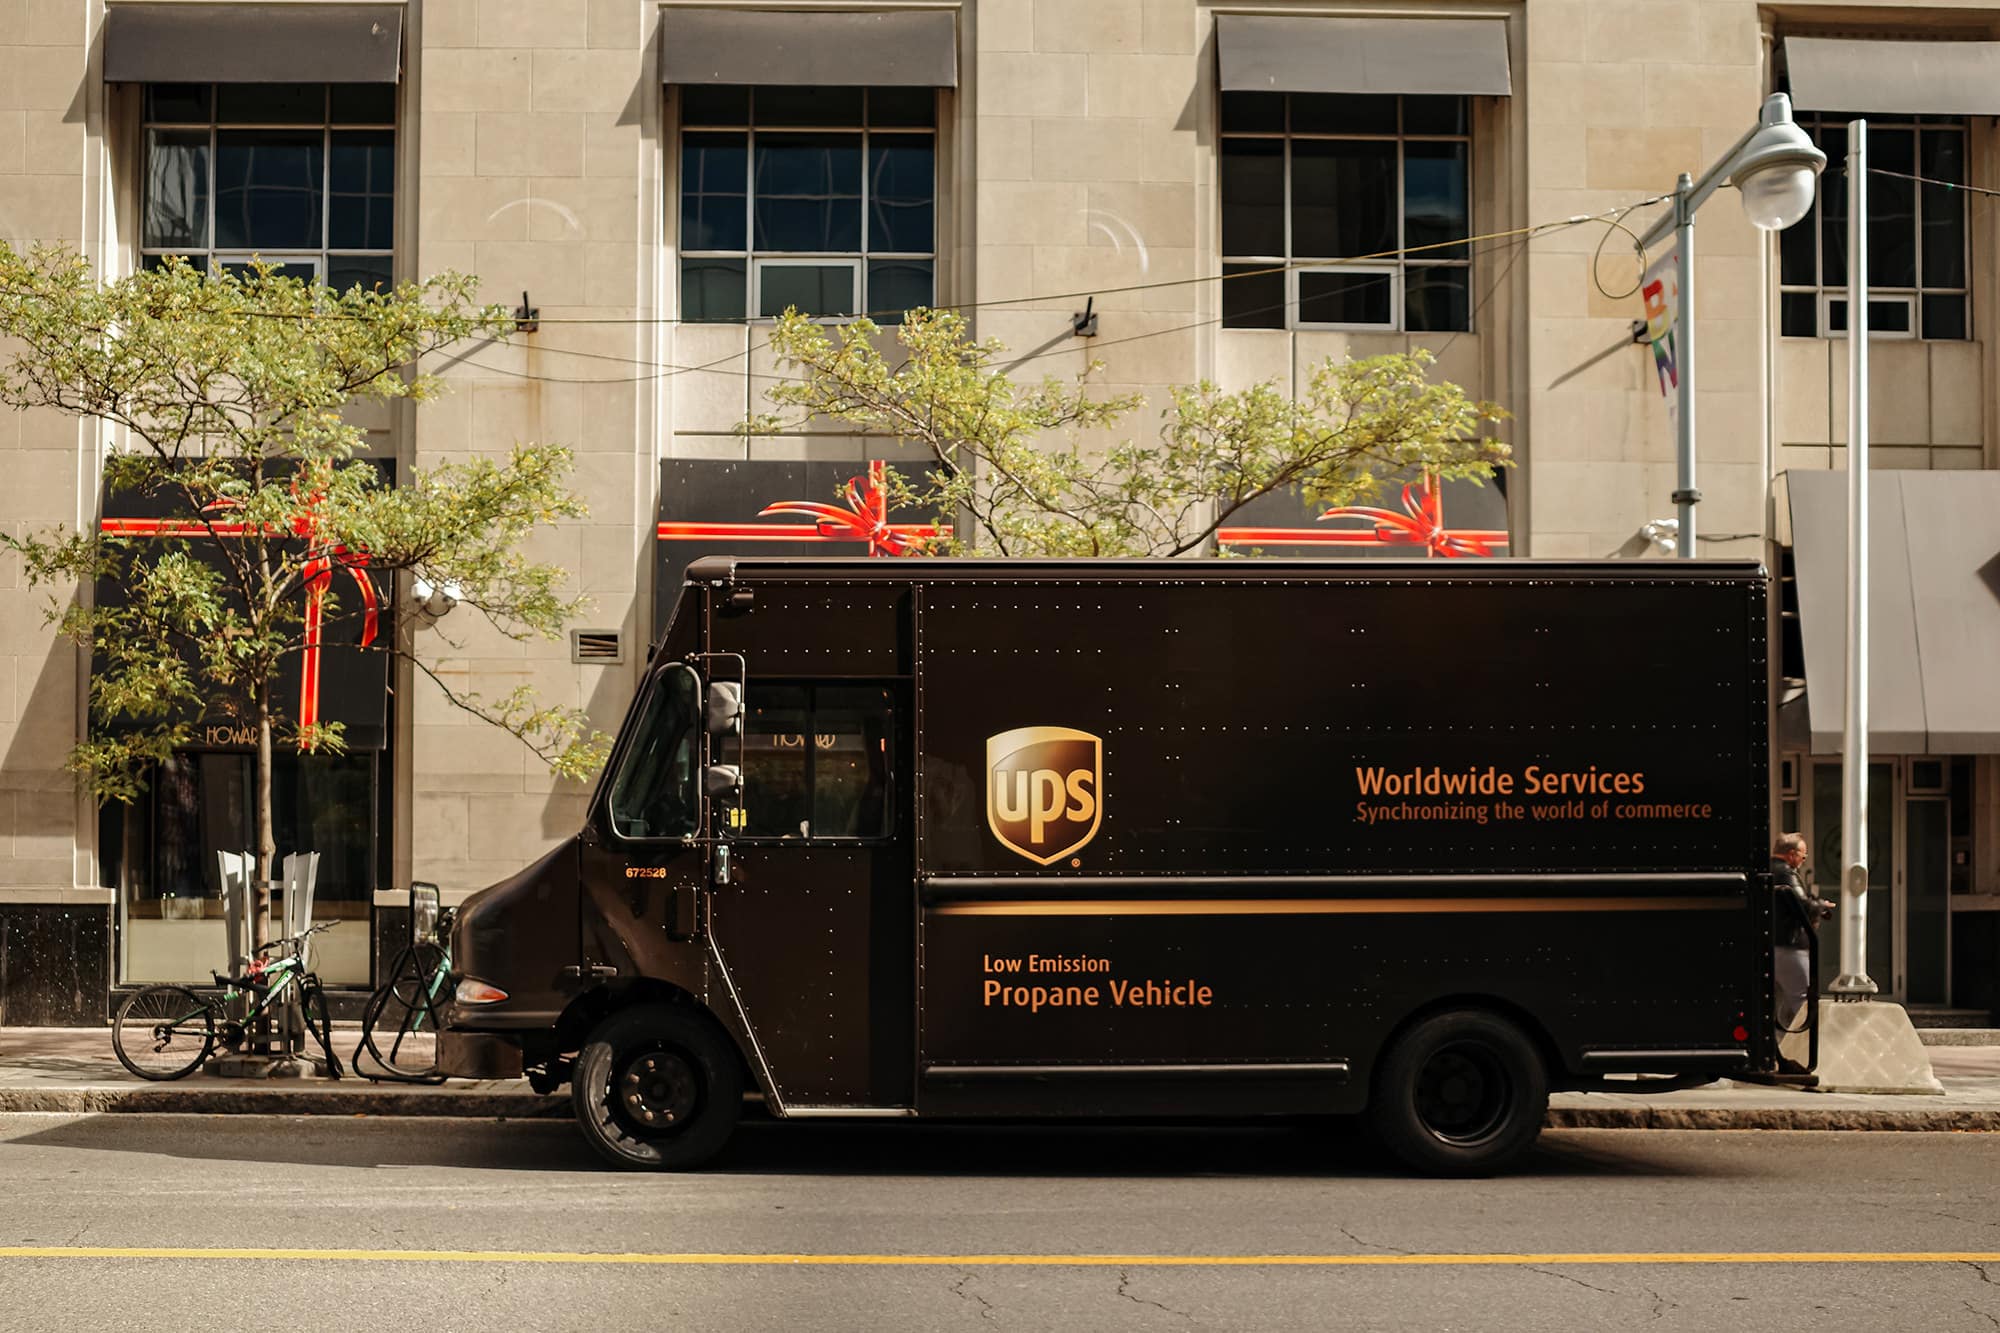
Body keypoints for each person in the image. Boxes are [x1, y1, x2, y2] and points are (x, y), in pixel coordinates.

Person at [1772, 832, 1835, 1039]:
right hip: (1789, 947)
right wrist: (1821, 906)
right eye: (1803, 855)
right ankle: (1799, 1047)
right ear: (1792, 854)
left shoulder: (1767, 870)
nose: (1804, 860)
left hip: (1771, 945)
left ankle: (1777, 1047)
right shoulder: (1786, 874)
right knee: (1802, 1001)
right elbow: (1802, 905)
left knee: (1777, 1002)